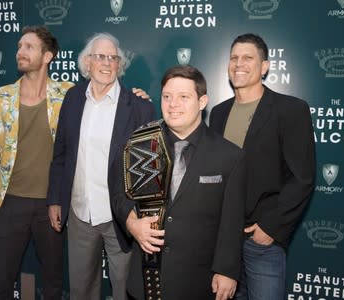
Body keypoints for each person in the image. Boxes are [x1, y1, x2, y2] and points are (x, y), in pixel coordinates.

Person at [112, 65, 246, 300]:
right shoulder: (140, 143)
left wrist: (227, 270)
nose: (173, 104)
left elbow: (232, 221)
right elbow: (118, 192)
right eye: (167, 97)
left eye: (183, 97)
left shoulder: (229, 156)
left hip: (198, 283)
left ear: (202, 101)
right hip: (145, 279)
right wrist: (131, 222)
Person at [46, 32, 156, 300]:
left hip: (123, 217)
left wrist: (139, 215)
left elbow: (150, 171)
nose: (106, 63)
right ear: (87, 63)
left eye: (113, 58)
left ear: (120, 65)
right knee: (81, 290)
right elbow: (60, 154)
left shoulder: (140, 107)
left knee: (125, 290)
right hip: (80, 212)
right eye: (100, 57)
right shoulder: (72, 99)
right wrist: (55, 200)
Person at [209, 33, 316, 300]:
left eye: (248, 58)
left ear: (265, 66)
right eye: (234, 58)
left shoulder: (290, 110)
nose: (239, 64)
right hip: (223, 243)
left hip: (262, 242)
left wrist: (271, 228)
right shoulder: (218, 113)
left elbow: (302, 178)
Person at [0, 25, 74, 299]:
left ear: (48, 56)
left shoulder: (69, 95)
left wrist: (135, 97)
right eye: (19, 47)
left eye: (29, 47)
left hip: (52, 204)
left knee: (54, 284)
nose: (20, 52)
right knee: (0, 284)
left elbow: (106, 100)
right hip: (10, 203)